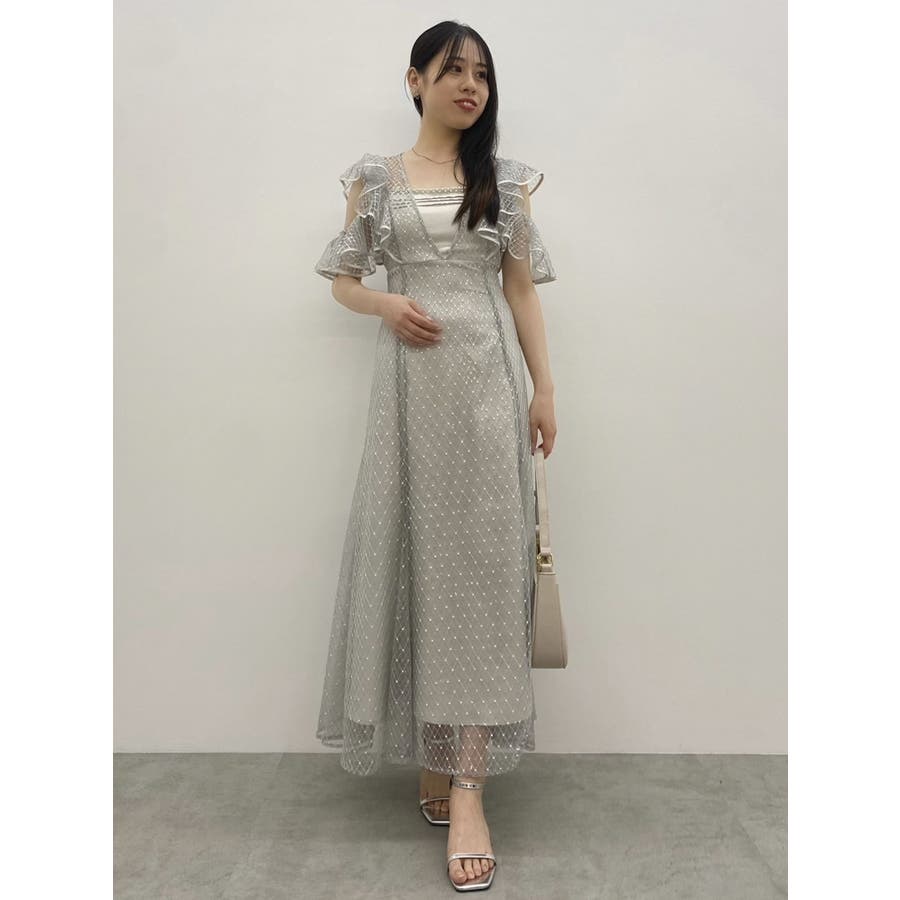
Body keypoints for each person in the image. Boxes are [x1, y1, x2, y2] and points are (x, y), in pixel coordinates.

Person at [313, 20, 558, 892]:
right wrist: (386, 305)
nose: (470, 86)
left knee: (482, 575)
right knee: (416, 562)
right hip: (409, 399)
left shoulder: (506, 182)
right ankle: (436, 752)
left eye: (482, 74)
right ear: (415, 79)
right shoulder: (375, 178)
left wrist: (544, 388)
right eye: (453, 70)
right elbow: (344, 282)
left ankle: (468, 787)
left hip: (486, 391)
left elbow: (520, 289)